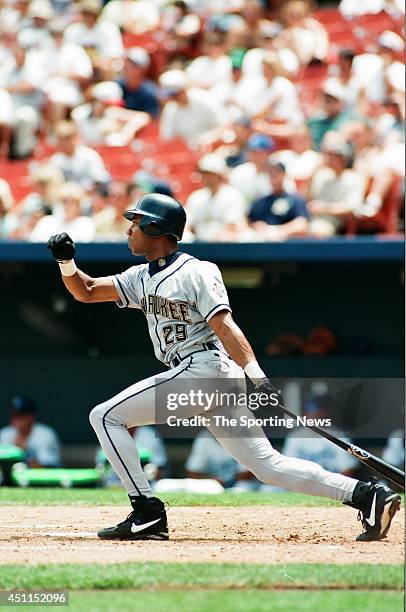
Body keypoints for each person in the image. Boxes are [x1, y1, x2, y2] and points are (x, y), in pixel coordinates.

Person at [45, 192, 401, 542]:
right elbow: (87, 290)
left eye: (136, 223)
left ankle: (146, 512)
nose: (129, 230)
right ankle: (367, 495)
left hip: (205, 368)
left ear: (155, 228)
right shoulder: (140, 277)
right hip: (207, 376)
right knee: (267, 465)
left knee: (106, 416)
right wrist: (66, 263)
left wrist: (254, 370)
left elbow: (223, 324)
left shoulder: (195, 271)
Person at [248, 162, 309, 240]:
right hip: (263, 246)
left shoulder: (296, 200)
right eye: (271, 174)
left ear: (284, 175)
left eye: (277, 173)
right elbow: (249, 223)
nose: (274, 177)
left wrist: (274, 230)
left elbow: (302, 225)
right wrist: (257, 227)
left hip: (288, 246)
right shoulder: (260, 202)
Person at [0, 396, 61, 467]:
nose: (16, 420)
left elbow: (49, 466)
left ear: (31, 417)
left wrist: (22, 453)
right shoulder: (5, 434)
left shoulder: (45, 434)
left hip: (42, 477)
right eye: (14, 416)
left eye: (21, 416)